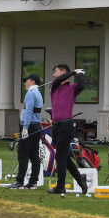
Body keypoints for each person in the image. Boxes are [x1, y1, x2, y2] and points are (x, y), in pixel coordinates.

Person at [47, 64, 88, 195]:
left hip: (66, 125)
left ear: (63, 71)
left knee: (60, 156)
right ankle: (80, 179)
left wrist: (80, 74)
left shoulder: (72, 88)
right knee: (64, 156)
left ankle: (60, 186)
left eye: (56, 71)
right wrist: (73, 73)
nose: (53, 75)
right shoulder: (53, 86)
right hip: (56, 126)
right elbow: (59, 80)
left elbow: (81, 86)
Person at [8, 75, 43, 189]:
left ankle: (19, 181)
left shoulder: (31, 93)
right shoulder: (37, 92)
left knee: (23, 155)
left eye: (26, 81)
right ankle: (33, 182)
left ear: (32, 82)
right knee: (34, 155)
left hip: (30, 126)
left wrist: (25, 128)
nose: (25, 83)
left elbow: (28, 111)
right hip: (36, 126)